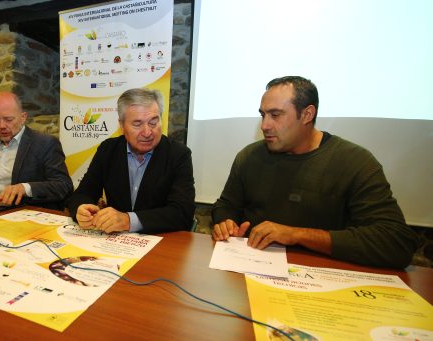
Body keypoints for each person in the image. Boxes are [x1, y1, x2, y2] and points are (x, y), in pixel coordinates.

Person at [211, 76, 419, 268]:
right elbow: (226, 206)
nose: (265, 125)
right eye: (263, 115)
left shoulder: (355, 162)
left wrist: (297, 235)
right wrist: (225, 222)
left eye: (275, 115)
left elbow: (396, 243)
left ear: (307, 114)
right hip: (253, 271)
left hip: (325, 280)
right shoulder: (250, 157)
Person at [66, 88, 195, 234]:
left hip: (160, 240)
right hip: (115, 241)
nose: (147, 132)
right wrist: (81, 210)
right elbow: (83, 193)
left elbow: (182, 213)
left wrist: (128, 220)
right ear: (121, 125)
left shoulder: (178, 154)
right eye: (137, 124)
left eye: (153, 122)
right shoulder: (108, 149)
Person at [0, 91, 73, 208]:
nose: (2, 126)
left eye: (8, 119)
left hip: (26, 218)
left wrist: (25, 188)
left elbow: (63, 186)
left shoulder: (45, 144)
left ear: (23, 117)